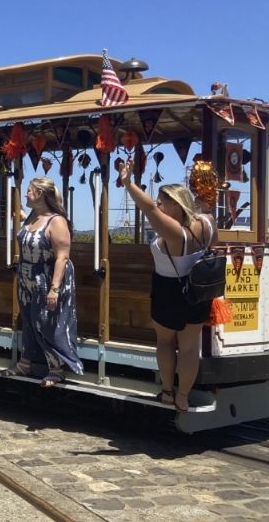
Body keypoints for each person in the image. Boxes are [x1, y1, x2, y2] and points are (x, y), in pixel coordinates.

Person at [119, 162, 216, 412]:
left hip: (169, 290)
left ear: (174, 203)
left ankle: (167, 392)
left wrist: (128, 182)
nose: (159, 205)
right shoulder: (207, 223)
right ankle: (183, 396)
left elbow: (148, 208)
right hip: (198, 290)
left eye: (163, 201)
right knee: (189, 347)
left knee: (164, 343)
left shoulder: (174, 233)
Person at [1, 177, 83, 387]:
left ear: (39, 194)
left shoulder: (56, 221)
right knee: (28, 320)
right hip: (27, 277)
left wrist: (54, 288)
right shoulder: (31, 217)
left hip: (47, 277)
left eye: (29, 191)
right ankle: (25, 363)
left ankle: (57, 369)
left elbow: (62, 256)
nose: (26, 194)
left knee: (46, 321)